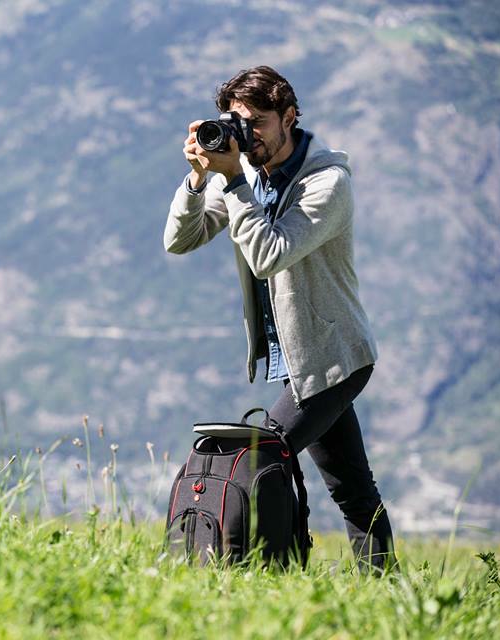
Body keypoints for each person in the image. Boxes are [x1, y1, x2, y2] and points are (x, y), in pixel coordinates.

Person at [163, 65, 395, 570]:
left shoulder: (327, 184)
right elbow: (179, 240)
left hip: (333, 356)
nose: (248, 135)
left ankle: (263, 569)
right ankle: (388, 587)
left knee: (257, 457)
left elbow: (268, 255)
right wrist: (199, 178)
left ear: (289, 116)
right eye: (238, 123)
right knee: (354, 491)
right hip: (299, 362)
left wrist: (232, 180)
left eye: (258, 123)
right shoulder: (248, 175)